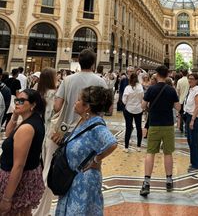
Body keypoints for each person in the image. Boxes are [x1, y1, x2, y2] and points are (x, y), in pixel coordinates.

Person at [55, 86, 117, 216]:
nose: (75, 103)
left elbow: (112, 143)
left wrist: (96, 160)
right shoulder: (84, 121)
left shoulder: (96, 125)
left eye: (78, 100)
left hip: (84, 181)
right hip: (73, 178)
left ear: (87, 106)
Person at [0, 89, 45, 215]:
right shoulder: (34, 119)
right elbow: (8, 134)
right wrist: (15, 115)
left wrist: (6, 198)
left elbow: (19, 165)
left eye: (21, 100)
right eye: (16, 100)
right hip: (28, 175)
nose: (17, 103)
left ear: (33, 104)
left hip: (17, 180)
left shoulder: (26, 128)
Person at [140, 65, 180, 197]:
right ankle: (169, 180)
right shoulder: (171, 90)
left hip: (154, 125)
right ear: (168, 75)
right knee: (168, 153)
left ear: (157, 75)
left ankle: (146, 182)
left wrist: (149, 107)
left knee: (150, 153)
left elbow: (143, 105)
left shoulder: (151, 89)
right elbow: (177, 107)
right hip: (168, 125)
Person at [53, 49, 108, 140]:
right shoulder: (100, 81)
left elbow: (57, 107)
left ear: (79, 61)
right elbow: (107, 108)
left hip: (68, 130)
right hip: (91, 129)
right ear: (93, 63)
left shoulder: (67, 80)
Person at [33, 68, 58, 216]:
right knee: (48, 172)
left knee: (40, 169)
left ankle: (37, 208)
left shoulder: (37, 94)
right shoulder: (54, 94)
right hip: (50, 136)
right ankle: (41, 211)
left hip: (36, 134)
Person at [183, 73, 198, 172]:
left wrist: (192, 120)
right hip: (188, 116)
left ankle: (196, 165)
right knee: (190, 141)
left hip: (194, 118)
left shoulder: (197, 92)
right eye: (189, 79)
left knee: (194, 142)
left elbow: (197, 106)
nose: (190, 80)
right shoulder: (191, 90)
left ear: (196, 80)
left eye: (192, 79)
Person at [122, 72, 144, 152]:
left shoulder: (127, 88)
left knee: (128, 128)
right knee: (139, 128)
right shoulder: (140, 87)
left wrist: (128, 103)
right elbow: (142, 98)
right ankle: (138, 146)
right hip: (138, 109)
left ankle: (126, 147)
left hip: (129, 109)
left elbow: (124, 100)